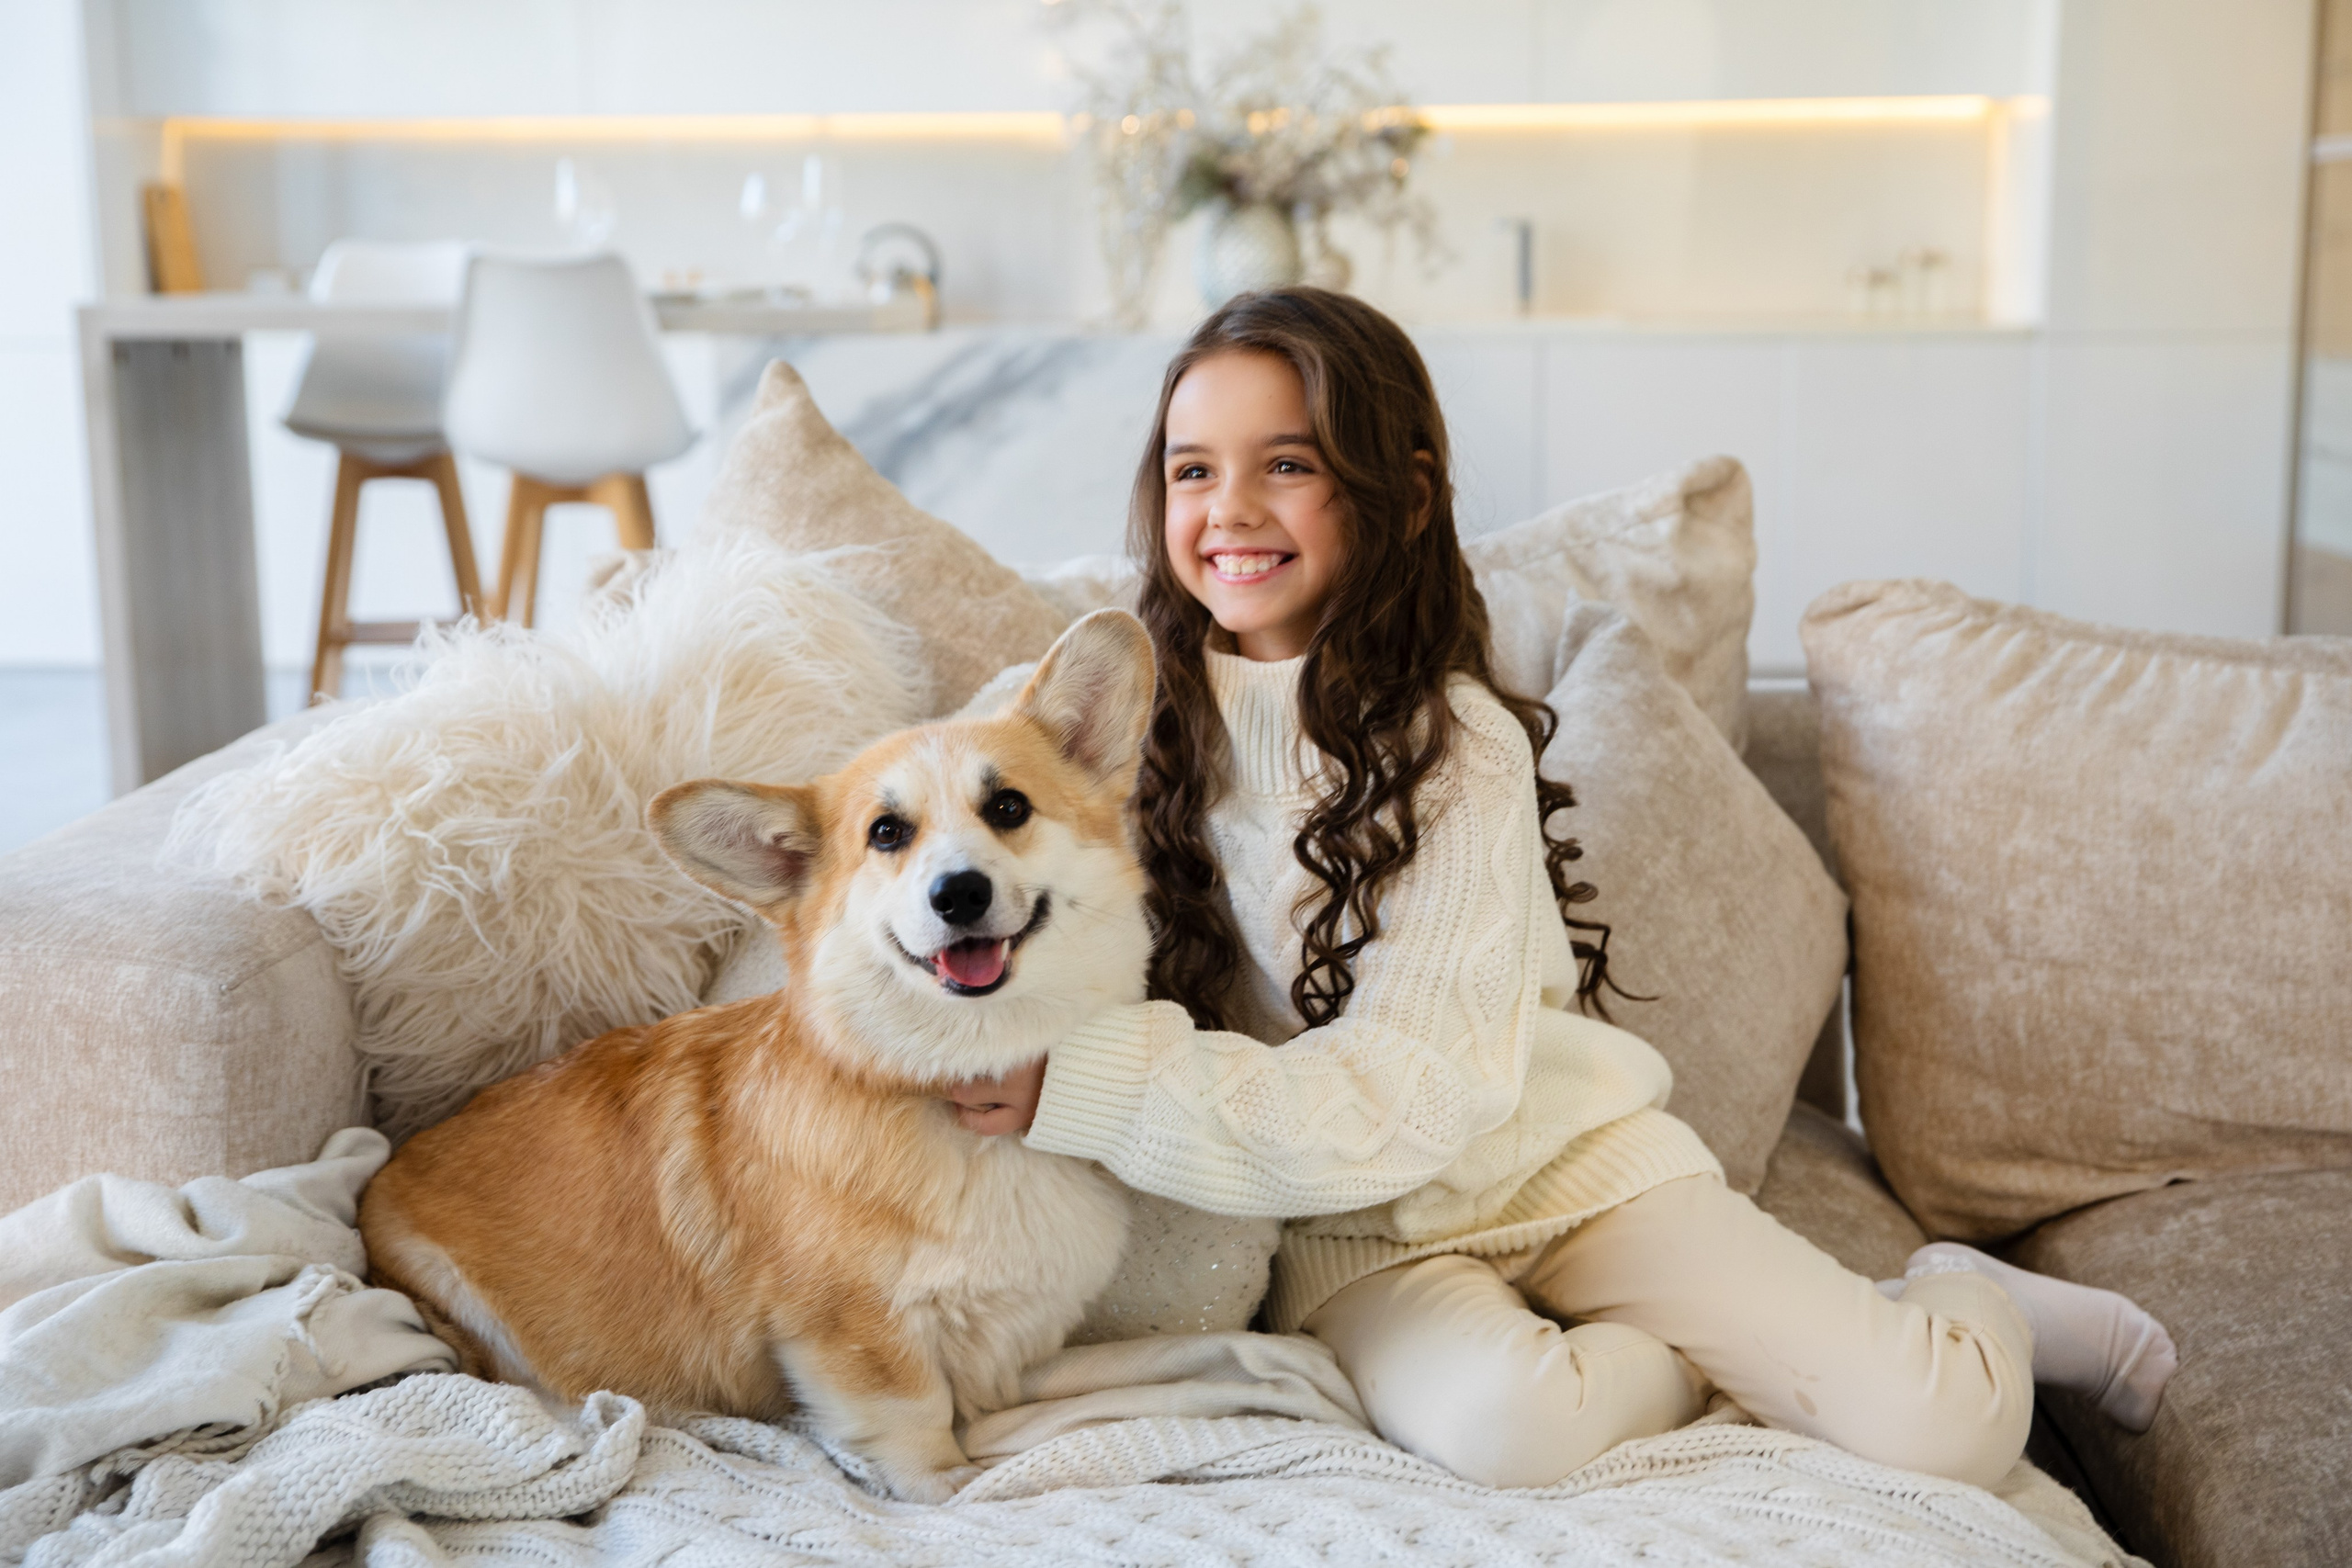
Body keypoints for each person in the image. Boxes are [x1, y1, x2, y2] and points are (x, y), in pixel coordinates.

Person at [945, 288, 2175, 1491]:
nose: (1231, 511)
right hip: (1350, 1226)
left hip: (1562, 1164)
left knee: (1940, 1431)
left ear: (1401, 495)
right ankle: (1709, 1369)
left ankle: (1960, 1293)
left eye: (1290, 465)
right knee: (1511, 1433)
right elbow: (918, 826)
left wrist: (1083, 1084)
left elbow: (1414, 1090)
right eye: (1193, 471)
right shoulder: (1094, 713)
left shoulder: (1454, 747)